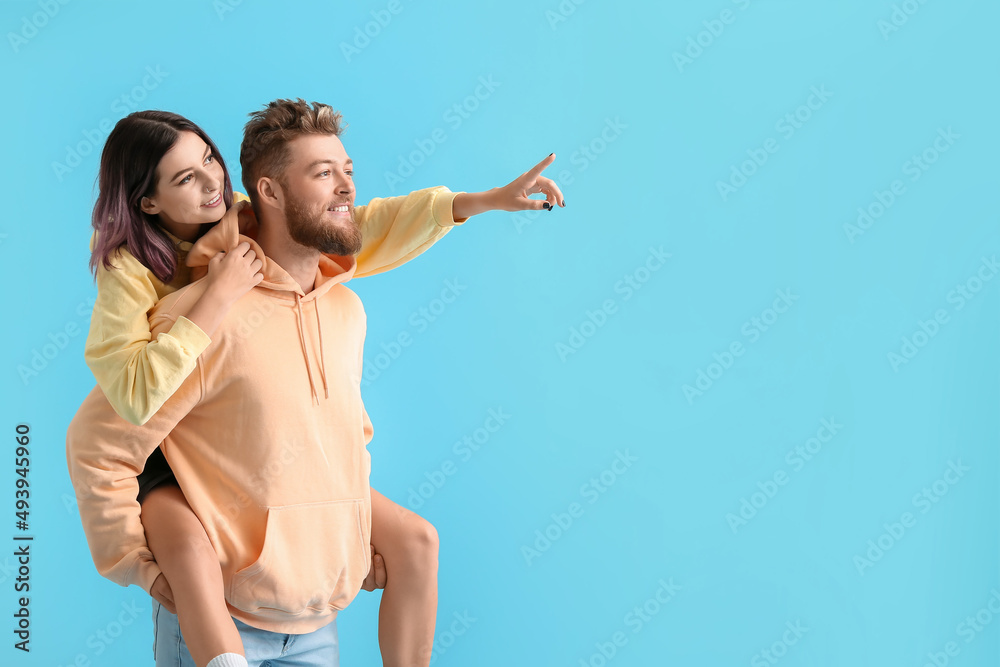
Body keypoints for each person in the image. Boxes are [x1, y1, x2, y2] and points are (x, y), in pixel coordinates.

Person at [67, 98, 564, 667]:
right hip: (181, 486)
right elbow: (111, 424)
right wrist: (136, 562)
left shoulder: (341, 306)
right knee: (184, 544)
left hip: (311, 620)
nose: (209, 183)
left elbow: (368, 227)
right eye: (324, 173)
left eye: (347, 170)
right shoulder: (142, 277)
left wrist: (475, 203)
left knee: (417, 538)